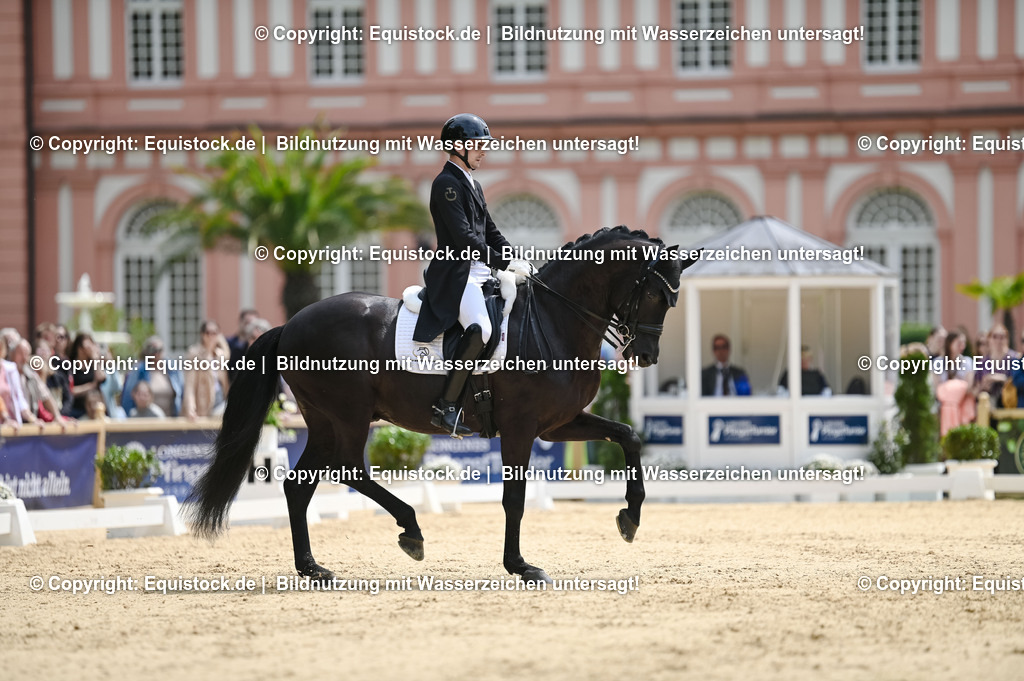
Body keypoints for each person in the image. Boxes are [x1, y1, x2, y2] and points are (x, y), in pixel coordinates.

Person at [412, 113, 532, 436]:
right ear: (458, 147)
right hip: (458, 275)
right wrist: (502, 263)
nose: (483, 152)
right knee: (480, 329)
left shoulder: (473, 185)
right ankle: (446, 406)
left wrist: (515, 258)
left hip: (482, 275)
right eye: (478, 146)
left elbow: (490, 231)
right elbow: (465, 238)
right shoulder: (446, 184)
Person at [121, 336, 183, 417]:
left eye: (159, 350)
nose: (156, 353)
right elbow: (128, 397)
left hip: (170, 419)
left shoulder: (172, 370)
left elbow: (181, 393)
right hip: (146, 420)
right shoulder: (138, 370)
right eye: (153, 350)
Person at [182, 320, 229, 420]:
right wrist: (191, 407)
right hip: (203, 403)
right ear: (202, 335)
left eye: (214, 333)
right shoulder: (194, 353)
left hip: (219, 399)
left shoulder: (220, 354)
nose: (211, 336)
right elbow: (190, 384)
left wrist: (220, 339)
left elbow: (228, 353)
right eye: (208, 333)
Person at [67, 333, 106, 418]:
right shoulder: (70, 366)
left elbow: (101, 377)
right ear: (79, 348)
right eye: (87, 346)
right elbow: (70, 390)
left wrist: (95, 359)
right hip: (76, 409)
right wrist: (90, 386)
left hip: (94, 407)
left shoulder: (93, 364)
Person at [227, 309, 258, 384]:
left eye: (254, 324)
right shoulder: (229, 343)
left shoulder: (260, 346)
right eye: (247, 323)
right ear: (240, 323)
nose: (250, 327)